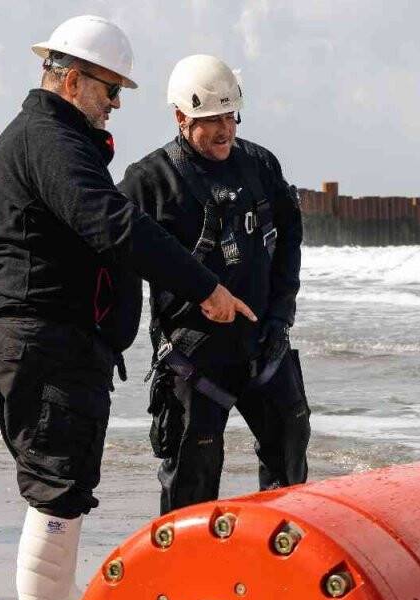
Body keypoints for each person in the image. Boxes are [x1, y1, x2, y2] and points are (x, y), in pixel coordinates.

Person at [0, 16, 256, 600]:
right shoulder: (52, 142)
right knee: (58, 488)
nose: (117, 105)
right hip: (48, 342)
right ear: (72, 81)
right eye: (110, 90)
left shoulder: (19, 140)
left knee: (56, 487)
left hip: (25, 339)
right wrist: (206, 286)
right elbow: (112, 224)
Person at [118, 54, 310, 516]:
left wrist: (282, 314)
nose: (225, 130)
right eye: (211, 120)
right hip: (193, 357)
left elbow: (289, 240)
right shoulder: (147, 181)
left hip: (264, 344)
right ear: (181, 117)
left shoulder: (260, 165)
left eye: (231, 116)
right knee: (191, 482)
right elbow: (119, 261)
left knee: (290, 463)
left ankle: (278, 573)